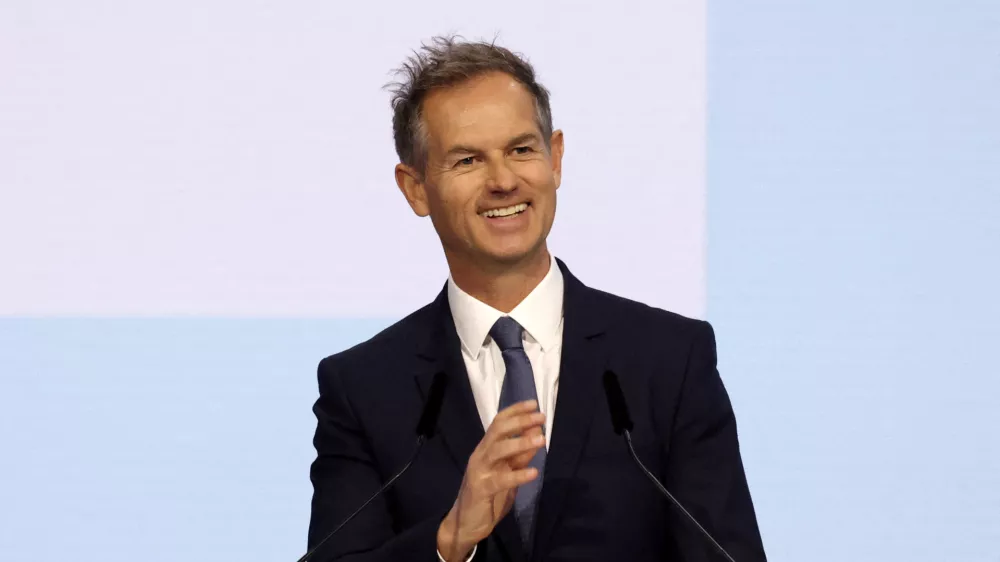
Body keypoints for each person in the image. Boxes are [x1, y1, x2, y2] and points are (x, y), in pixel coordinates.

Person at [307, 35, 766, 562]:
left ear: (556, 159)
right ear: (414, 188)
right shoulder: (363, 387)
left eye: (522, 149)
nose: (504, 181)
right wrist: (448, 541)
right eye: (467, 161)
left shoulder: (668, 360)